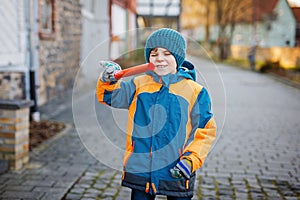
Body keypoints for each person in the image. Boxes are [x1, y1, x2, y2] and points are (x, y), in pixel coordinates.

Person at [96, 28, 217, 200]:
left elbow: (205, 131)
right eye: (154, 54)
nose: (159, 58)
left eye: (167, 53)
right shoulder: (138, 84)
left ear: (178, 58)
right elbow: (110, 96)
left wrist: (190, 160)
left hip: (178, 169)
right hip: (140, 167)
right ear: (148, 60)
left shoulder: (195, 92)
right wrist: (108, 80)